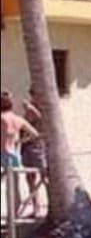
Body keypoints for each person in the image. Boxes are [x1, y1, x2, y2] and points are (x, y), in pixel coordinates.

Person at [1, 90, 39, 220]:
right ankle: (13, 215)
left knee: (9, 187)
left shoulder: (2, 119)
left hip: (2, 153)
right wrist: (20, 141)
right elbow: (35, 134)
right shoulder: (18, 119)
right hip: (13, 153)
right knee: (14, 187)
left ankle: (12, 218)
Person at [21, 89, 48, 218]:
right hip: (27, 146)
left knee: (45, 176)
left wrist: (32, 109)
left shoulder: (43, 107)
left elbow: (43, 121)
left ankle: (51, 207)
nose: (33, 96)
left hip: (38, 146)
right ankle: (36, 207)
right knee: (30, 178)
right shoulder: (30, 108)